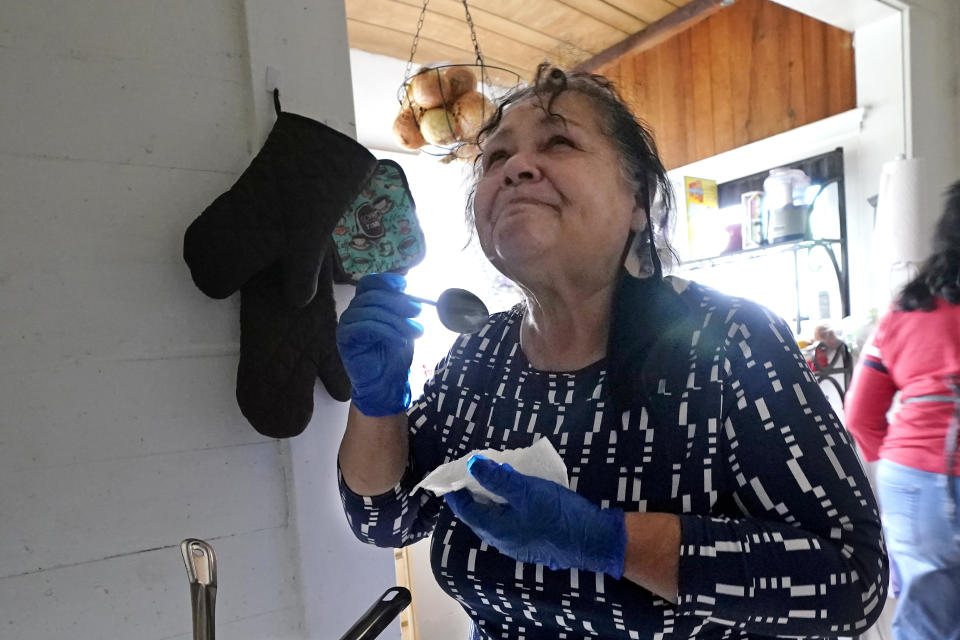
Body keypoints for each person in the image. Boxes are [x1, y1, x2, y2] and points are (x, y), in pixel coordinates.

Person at [336, 64, 887, 639]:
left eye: (559, 141)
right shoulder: (478, 357)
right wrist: (376, 404)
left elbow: (853, 580)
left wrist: (608, 540)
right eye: (496, 159)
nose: (517, 168)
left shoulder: (731, 342)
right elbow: (384, 519)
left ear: (639, 199)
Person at [844, 180, 960, 640]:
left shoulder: (905, 310)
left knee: (926, 619)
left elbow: (859, 416)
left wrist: (902, 461)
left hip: (909, 482)